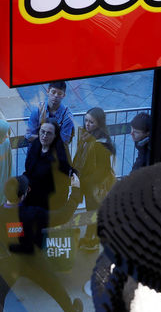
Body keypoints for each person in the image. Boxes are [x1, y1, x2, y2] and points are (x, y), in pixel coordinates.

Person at [0, 175, 83, 312]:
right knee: (56, 288)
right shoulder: (33, 214)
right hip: (34, 262)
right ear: (22, 196)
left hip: (9, 263)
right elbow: (63, 215)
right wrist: (75, 191)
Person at [14, 118, 75, 254]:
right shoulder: (36, 145)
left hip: (46, 202)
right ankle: (26, 246)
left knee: (39, 232)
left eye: (48, 133)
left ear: (55, 136)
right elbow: (29, 169)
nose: (44, 136)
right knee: (25, 223)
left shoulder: (59, 156)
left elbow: (63, 183)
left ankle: (36, 252)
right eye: (42, 132)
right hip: (30, 195)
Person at [72, 107, 116, 249]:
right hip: (86, 182)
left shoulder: (100, 142)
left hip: (93, 185)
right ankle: (89, 237)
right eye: (86, 120)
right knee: (90, 211)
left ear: (99, 123)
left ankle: (92, 241)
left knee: (93, 213)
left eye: (91, 122)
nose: (87, 124)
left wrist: (87, 182)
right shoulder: (88, 136)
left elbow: (103, 169)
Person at [24, 81, 75, 148]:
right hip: (37, 151)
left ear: (64, 95)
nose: (56, 96)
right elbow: (28, 135)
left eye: (59, 93)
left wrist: (41, 139)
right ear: (48, 92)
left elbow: (64, 141)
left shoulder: (67, 116)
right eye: (53, 92)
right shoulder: (38, 111)